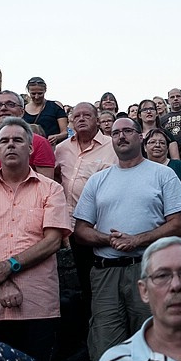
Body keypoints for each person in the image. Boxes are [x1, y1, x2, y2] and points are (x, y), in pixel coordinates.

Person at [74, 117, 181, 361]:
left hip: (149, 271)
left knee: (155, 343)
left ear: (141, 137)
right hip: (106, 275)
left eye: (128, 131)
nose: (121, 137)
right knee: (106, 348)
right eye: (116, 133)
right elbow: (81, 230)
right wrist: (109, 240)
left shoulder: (163, 174)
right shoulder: (98, 180)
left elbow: (178, 224)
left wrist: (136, 240)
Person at [0, 117, 71, 361]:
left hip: (36, 303)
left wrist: (10, 266)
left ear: (30, 149)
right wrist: (2, 284)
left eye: (18, 140)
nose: (10, 145)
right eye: (4, 141)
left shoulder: (51, 189)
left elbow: (53, 241)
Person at [54, 102, 117, 325]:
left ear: (97, 119)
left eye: (87, 115)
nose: (81, 119)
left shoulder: (112, 145)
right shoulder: (61, 149)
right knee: (80, 282)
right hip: (70, 225)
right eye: (76, 115)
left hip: (101, 225)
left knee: (103, 283)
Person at [0, 91, 56, 179]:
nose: (3, 108)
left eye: (10, 104)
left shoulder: (39, 143)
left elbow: (46, 186)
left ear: (22, 112)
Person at [144, 128, 181, 219]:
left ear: (167, 148)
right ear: (145, 147)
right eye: (152, 142)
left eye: (162, 143)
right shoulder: (141, 168)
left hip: (178, 219)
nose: (157, 145)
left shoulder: (177, 165)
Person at [21, 77, 68, 146]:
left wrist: (56, 137)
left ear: (45, 91)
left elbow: (65, 132)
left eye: (40, 93)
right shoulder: (22, 110)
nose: (36, 97)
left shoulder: (55, 107)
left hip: (50, 147)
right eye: (33, 94)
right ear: (28, 92)